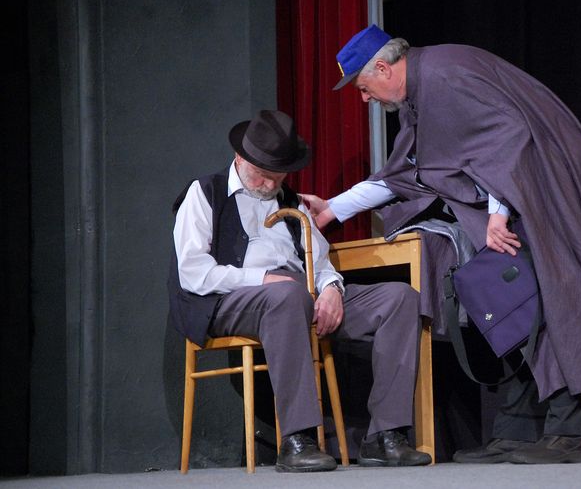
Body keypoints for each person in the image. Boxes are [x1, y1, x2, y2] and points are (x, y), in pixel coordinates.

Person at [303, 25, 581, 464]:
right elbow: (409, 172)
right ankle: (516, 431)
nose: (364, 99)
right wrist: (332, 209)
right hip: (518, 187)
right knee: (510, 301)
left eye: (363, 87)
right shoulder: (420, 95)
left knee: (552, 295)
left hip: (549, 178)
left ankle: (568, 434)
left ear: (383, 67)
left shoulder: (446, 76)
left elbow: (507, 138)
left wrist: (498, 212)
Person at [168, 110, 432, 472]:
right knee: (288, 296)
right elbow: (193, 273)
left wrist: (331, 289)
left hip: (297, 295)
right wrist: (264, 279)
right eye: (261, 174)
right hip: (229, 300)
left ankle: (385, 437)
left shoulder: (289, 201)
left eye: (277, 177)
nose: (268, 185)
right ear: (240, 158)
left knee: (399, 298)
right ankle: (297, 439)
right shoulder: (206, 192)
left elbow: (319, 262)